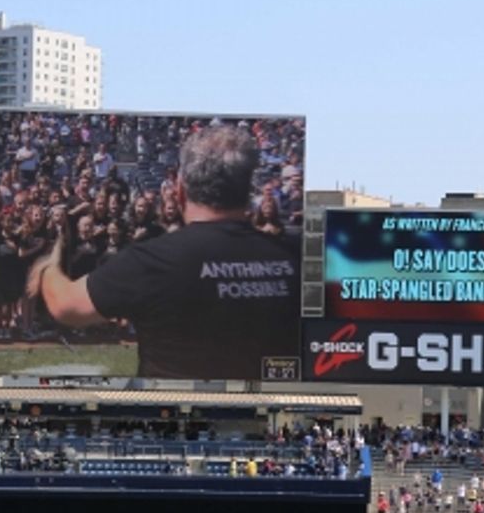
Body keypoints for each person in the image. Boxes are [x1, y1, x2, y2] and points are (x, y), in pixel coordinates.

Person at [28, 126, 301, 379]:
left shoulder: (152, 259)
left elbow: (66, 306)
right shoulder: (296, 257)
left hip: (174, 409)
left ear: (180, 191)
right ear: (248, 190)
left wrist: (50, 266)